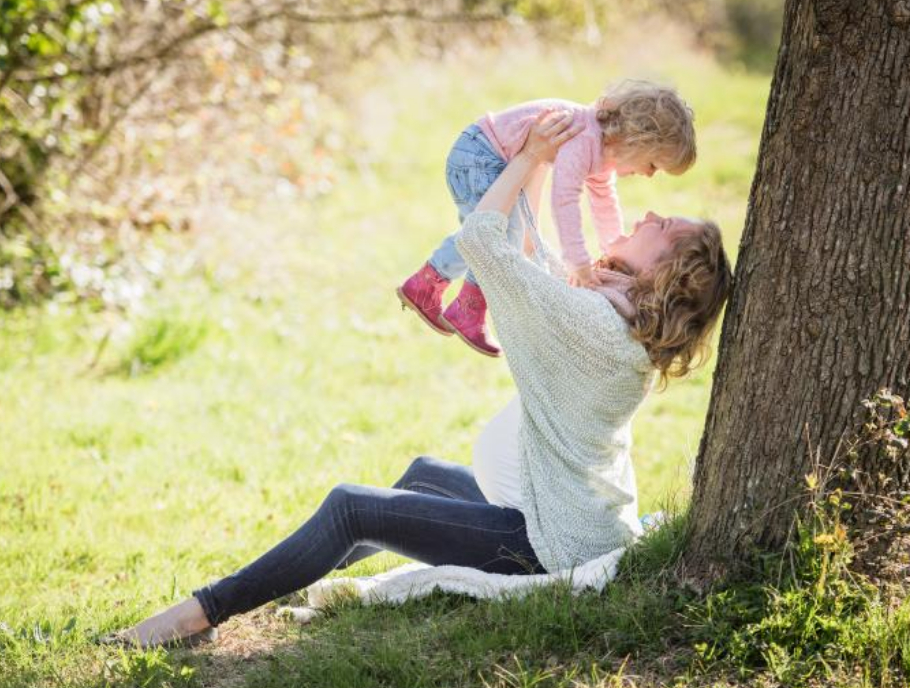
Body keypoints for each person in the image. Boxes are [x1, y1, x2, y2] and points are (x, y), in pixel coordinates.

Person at [102, 112, 731, 649]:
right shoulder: (616, 322)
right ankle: (281, 581)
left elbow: (484, 241)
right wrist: (540, 166)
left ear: (667, 274)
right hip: (563, 516)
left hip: (544, 544)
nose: (650, 212)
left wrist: (534, 156)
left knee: (352, 506)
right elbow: (537, 261)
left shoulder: (594, 325)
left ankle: (199, 614)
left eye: (666, 227)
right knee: (422, 474)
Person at [397, 80, 697, 357]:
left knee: (495, 234)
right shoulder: (585, 138)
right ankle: (457, 302)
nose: (648, 175)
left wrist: (612, 249)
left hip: (487, 156)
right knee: (494, 234)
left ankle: (440, 292)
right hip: (479, 155)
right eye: (653, 164)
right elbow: (564, 199)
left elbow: (604, 203)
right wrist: (577, 261)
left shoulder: (602, 153)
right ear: (639, 140)